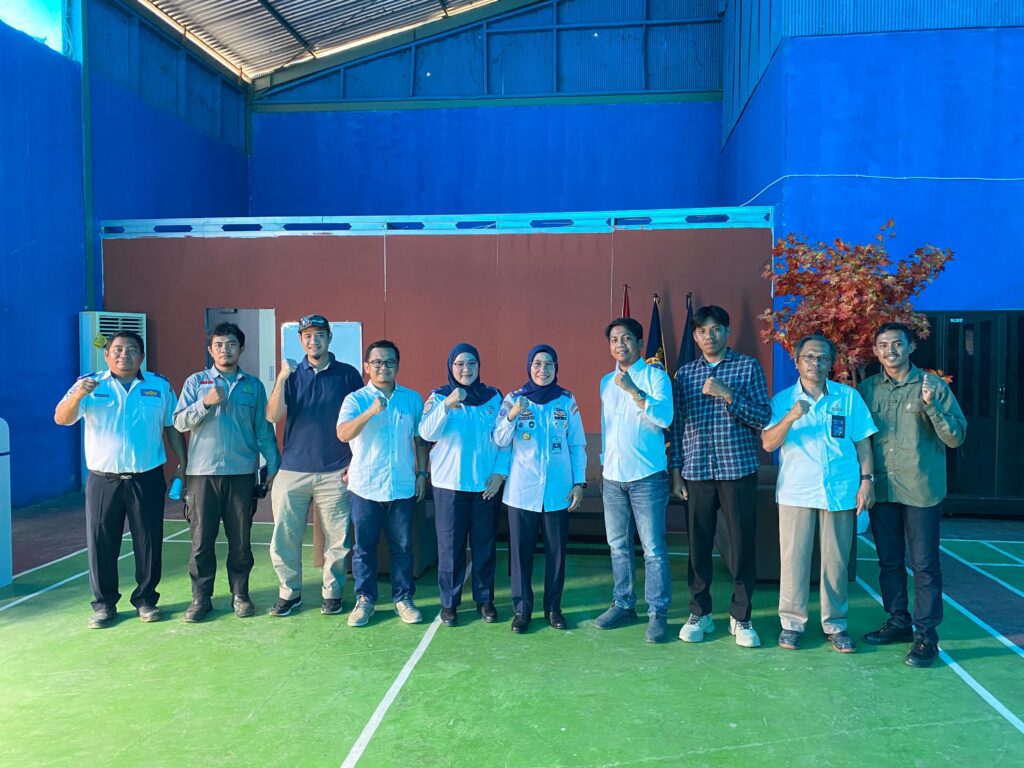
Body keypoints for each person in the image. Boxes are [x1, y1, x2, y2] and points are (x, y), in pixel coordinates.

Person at [54, 330, 186, 628]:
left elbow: (172, 426)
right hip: (104, 480)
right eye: (118, 349)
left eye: (132, 350)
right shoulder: (89, 384)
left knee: (149, 542)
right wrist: (79, 394)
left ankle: (146, 600)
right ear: (107, 355)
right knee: (101, 543)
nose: (124, 355)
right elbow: (61, 418)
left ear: (142, 356)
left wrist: (182, 464)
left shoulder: (159, 386)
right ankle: (104, 605)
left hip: (146, 478)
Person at [858, 322, 967, 667]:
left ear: (910, 348)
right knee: (889, 562)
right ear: (875, 352)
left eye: (896, 344)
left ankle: (926, 637)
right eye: (883, 345)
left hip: (921, 489)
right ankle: (898, 622)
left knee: (924, 565)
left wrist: (932, 405)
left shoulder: (932, 385)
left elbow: (956, 437)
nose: (890, 350)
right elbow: (859, 439)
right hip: (883, 489)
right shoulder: (867, 389)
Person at [762, 335, 877, 653]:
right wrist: (790, 417)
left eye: (823, 358)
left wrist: (867, 481)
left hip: (840, 491)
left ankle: (835, 625)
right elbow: (768, 443)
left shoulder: (848, 397)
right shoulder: (782, 400)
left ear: (831, 363)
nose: (816, 363)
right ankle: (792, 624)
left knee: (836, 562)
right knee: (794, 561)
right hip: (796, 492)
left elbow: (863, 443)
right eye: (809, 357)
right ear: (797, 361)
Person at [669, 305, 770, 648]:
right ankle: (700, 613)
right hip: (697, 471)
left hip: (737, 470)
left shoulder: (747, 367)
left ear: (727, 331)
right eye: (702, 331)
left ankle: (741, 616)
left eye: (715, 329)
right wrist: (676, 473)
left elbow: (763, 417)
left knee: (742, 545)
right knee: (698, 546)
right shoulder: (685, 375)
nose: (708, 336)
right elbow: (678, 427)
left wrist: (729, 395)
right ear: (695, 337)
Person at [173, 322, 281, 621]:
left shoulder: (253, 386)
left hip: (241, 475)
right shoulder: (196, 382)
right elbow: (179, 422)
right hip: (202, 475)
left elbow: (263, 431)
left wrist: (274, 465)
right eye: (219, 345)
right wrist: (204, 403)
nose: (225, 349)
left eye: (231, 344)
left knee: (241, 541)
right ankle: (201, 599)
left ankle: (240, 595)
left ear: (241, 348)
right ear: (211, 350)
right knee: (201, 542)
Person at [266, 314, 363, 617]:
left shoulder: (348, 375)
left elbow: (359, 422)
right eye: (307, 336)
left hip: (336, 469)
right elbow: (272, 416)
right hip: (292, 470)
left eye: (319, 335)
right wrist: (281, 378)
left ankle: (332, 593)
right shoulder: (291, 375)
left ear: (329, 338)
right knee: (285, 537)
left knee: (338, 539)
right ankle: (289, 592)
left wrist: (354, 462)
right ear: (300, 340)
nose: (313, 340)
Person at [494, 345, 586, 634]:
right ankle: (522, 609)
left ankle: (553, 608)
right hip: (522, 491)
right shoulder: (514, 399)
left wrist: (579, 483)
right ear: (528, 367)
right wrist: (511, 416)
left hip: (558, 491)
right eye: (537, 364)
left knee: (556, 554)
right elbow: (499, 439)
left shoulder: (566, 400)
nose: (542, 370)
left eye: (549, 364)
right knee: (520, 555)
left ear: (556, 368)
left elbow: (577, 444)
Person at [337, 340, 429, 627]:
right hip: (365, 487)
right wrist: (370, 412)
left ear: (397, 366)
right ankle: (365, 600)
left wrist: (422, 474)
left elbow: (420, 440)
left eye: (389, 362)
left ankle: (403, 598)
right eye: (377, 362)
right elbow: (343, 434)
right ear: (366, 367)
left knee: (403, 547)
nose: (383, 367)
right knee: (364, 548)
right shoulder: (355, 400)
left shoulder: (412, 399)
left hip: (401, 486)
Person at [594, 318, 674, 643]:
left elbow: (665, 419)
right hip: (613, 478)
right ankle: (624, 604)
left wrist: (634, 391)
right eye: (614, 339)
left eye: (626, 338)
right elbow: (607, 427)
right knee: (617, 546)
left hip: (647, 477)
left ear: (640, 343)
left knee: (653, 549)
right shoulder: (605, 382)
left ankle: (658, 613)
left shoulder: (656, 377)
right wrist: (603, 464)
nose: (620, 345)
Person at [419, 343, 509, 626]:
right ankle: (449, 603)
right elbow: (426, 433)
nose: (466, 369)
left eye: (471, 363)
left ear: (479, 366)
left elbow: (505, 438)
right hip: (449, 486)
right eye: (459, 364)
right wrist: (447, 404)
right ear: (450, 367)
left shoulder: (493, 397)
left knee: (485, 546)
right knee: (450, 548)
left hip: (486, 487)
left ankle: (485, 600)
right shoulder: (439, 396)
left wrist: (500, 473)